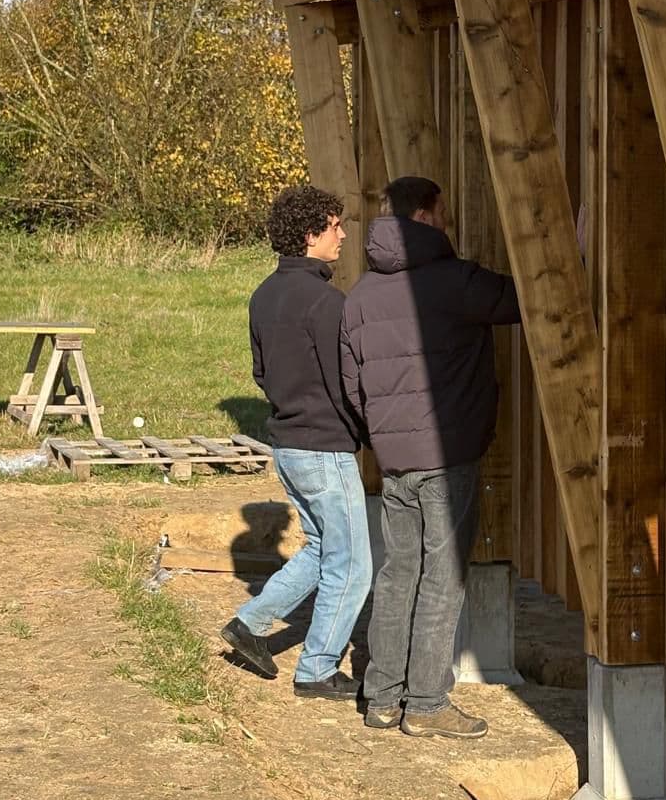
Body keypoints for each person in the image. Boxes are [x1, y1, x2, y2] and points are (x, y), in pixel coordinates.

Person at [340, 175, 520, 739]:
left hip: (395, 461)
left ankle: (383, 697)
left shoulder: (361, 295)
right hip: (448, 454)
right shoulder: (453, 281)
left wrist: (385, 437)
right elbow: (526, 300)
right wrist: (581, 251)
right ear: (423, 215)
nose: (448, 221)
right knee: (443, 577)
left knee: (398, 574)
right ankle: (425, 703)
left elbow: (352, 386)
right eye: (442, 211)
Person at [220, 184, 371, 698]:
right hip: (325, 446)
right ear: (311, 234)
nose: (344, 235)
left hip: (286, 443)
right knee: (352, 564)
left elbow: (261, 372)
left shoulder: (263, 295)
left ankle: (248, 625)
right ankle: (318, 668)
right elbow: (347, 382)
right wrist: (365, 432)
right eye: (335, 226)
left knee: (322, 549)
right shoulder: (327, 302)